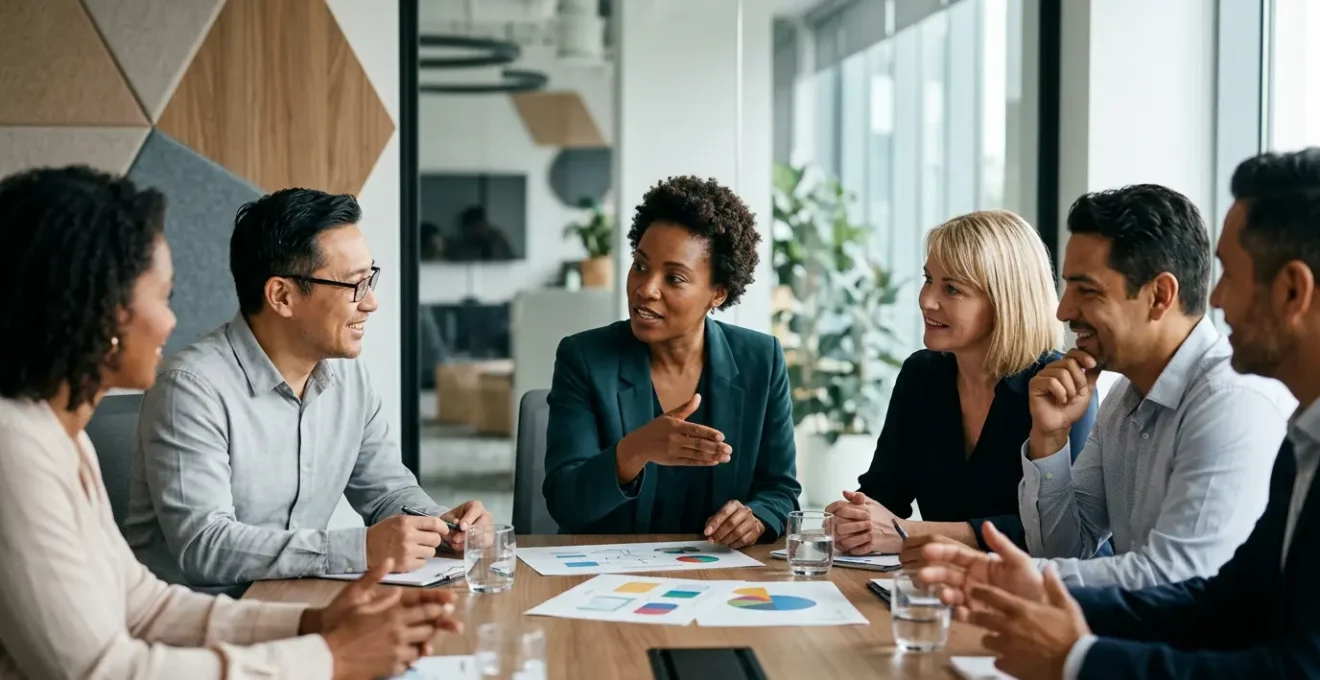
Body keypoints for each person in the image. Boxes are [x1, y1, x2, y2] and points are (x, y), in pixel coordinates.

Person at [0, 166, 461, 679]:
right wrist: (330, 656)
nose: (171, 321)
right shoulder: (14, 452)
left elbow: (144, 605)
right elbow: (102, 671)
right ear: (95, 311)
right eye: (163, 296)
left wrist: (316, 621)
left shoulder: (58, 437)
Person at [911, 148, 1320, 680]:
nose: (1062, 310)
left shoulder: (1232, 404)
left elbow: (1177, 581)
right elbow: (1222, 602)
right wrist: (1049, 442)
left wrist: (1073, 652)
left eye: (1085, 290)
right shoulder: (1129, 398)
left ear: (1158, 296)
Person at [125, 189, 491, 597]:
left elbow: (388, 492)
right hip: (198, 627)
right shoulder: (191, 389)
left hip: (300, 602)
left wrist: (440, 524)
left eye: (370, 279)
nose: (371, 302)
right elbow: (203, 546)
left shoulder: (351, 380)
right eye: (355, 285)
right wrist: (360, 548)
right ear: (282, 296)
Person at [542, 176, 800, 545]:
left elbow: (780, 489)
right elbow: (565, 503)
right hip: (606, 580)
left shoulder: (762, 359)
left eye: (674, 277)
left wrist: (756, 517)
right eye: (641, 266)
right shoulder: (584, 357)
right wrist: (637, 449)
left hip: (721, 575)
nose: (645, 289)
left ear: (718, 293)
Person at [825, 211, 1098, 555]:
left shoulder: (1058, 384)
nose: (926, 300)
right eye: (928, 280)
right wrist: (854, 517)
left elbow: (1056, 534)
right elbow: (884, 493)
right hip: (941, 585)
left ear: (1004, 300)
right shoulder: (921, 374)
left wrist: (909, 532)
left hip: (1037, 593)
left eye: (951, 288)